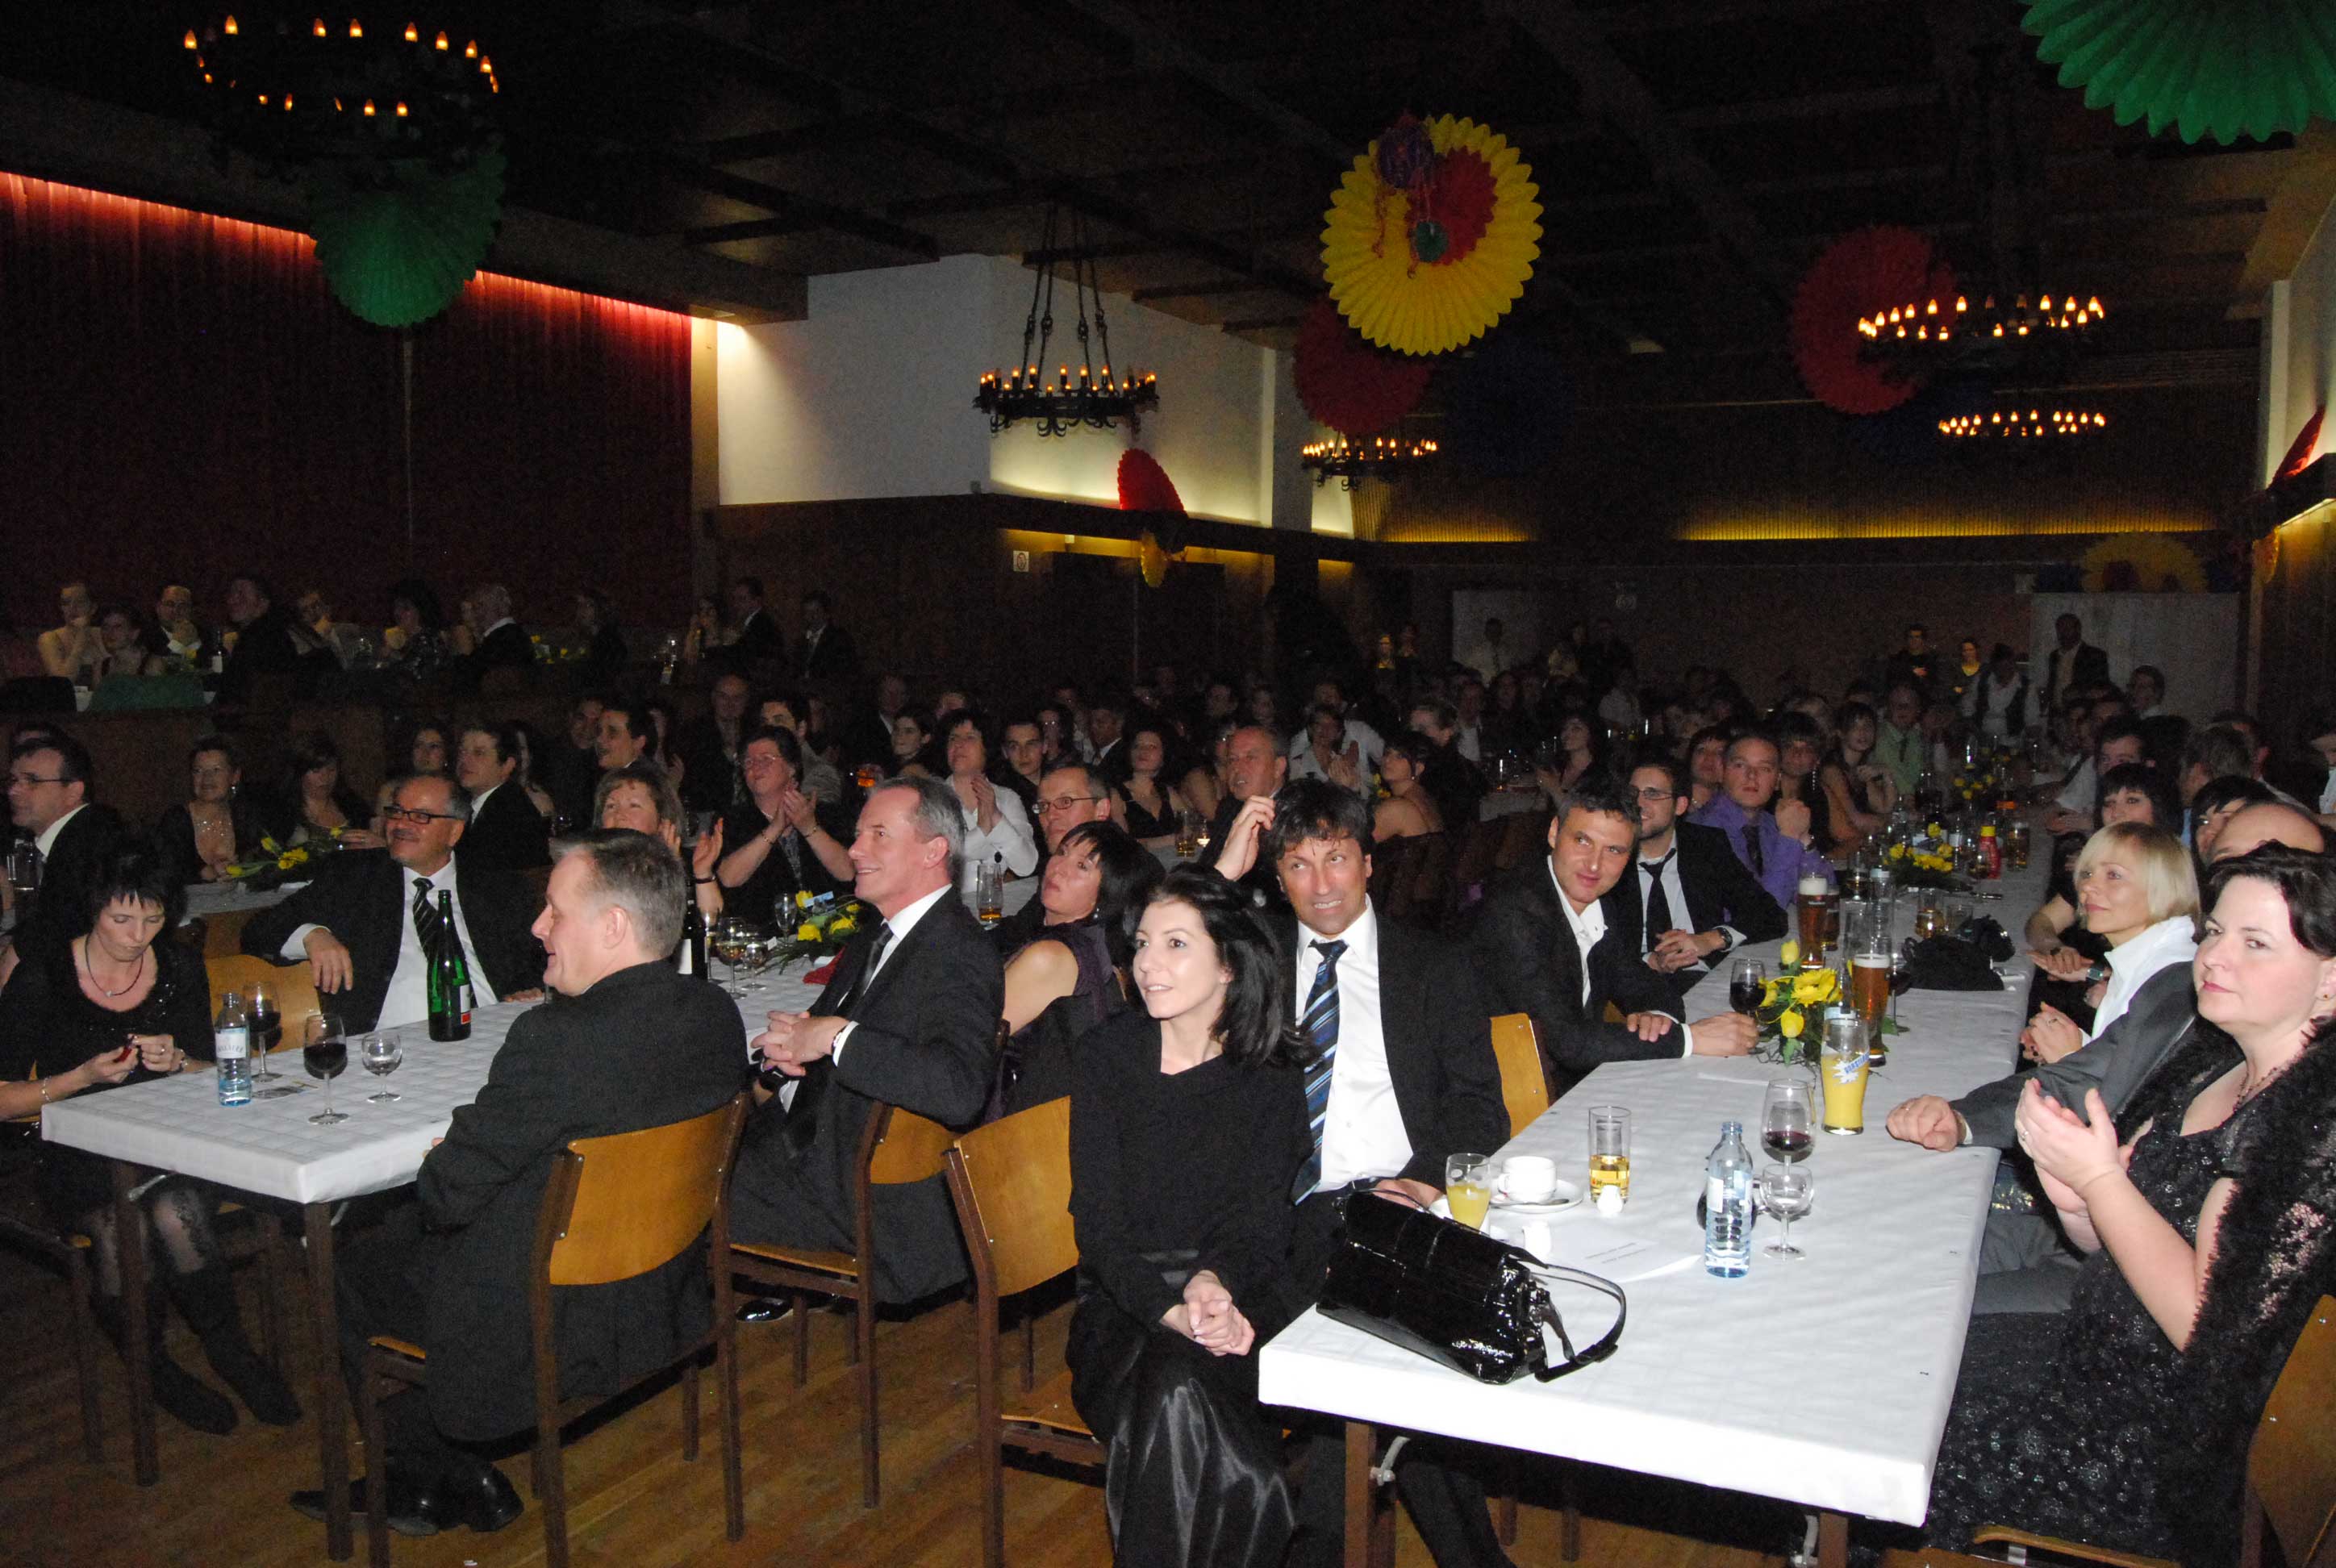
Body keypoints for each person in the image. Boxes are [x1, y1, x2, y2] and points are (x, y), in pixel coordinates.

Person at [290, 830, 746, 1537]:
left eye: (555, 911)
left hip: (545, 1312)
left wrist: (450, 1155)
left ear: (613, 926)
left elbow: (446, 1194)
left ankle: (417, 1477)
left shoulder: (555, 1039)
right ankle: (451, 1471)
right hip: (662, 1287)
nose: (538, 927)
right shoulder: (714, 1012)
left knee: (350, 1259)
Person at [1917, 848, 2336, 1565]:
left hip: (2160, 1446)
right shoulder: (2217, 1058)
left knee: (1914, 1422)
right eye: (2215, 932)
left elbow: (2208, 1329)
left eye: (2256, 943)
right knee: (1912, 1356)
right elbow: (2122, 1251)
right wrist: (2077, 1198)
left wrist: (2103, 1181)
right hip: (2093, 1354)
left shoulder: (2313, 1125)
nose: (2215, 957)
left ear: (2330, 979)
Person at [1211, 782, 1513, 1568]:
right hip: (1280, 1219)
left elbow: (1479, 1107)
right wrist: (1221, 871)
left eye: (1337, 859)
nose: (1321, 885)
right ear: (1276, 877)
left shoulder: (1432, 965)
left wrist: (1421, 1183)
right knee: (1390, 1364)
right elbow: (1152, 947)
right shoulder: (1250, 962)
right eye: (1298, 865)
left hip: (1392, 1203)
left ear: (1369, 863)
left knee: (1379, 1357)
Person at [0, 845, 298, 1433]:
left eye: (153, 920)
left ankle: (229, 1348)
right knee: (123, 1223)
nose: (138, 937)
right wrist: (78, 1078)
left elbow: (216, 1071)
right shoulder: (44, 977)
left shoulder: (178, 968)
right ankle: (150, 1362)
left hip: (171, 1139)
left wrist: (179, 1060)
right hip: (77, 1148)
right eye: (122, 919)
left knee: (173, 1207)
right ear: (93, 910)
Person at [1066, 868, 1308, 1568]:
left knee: (1179, 1394)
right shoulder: (1106, 1058)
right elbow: (1099, 1231)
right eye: (1143, 943)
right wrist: (1169, 1309)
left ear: (1228, 964)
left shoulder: (1268, 1073)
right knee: (1192, 1408)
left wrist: (1214, 1283)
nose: (1147, 964)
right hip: (1125, 1308)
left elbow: (1261, 1223)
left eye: (1176, 944)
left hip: (1239, 1298)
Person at [733, 776, 1004, 1304]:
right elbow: (822, 1040)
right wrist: (788, 1051)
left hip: (869, 1208)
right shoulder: (880, 935)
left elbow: (959, 1088)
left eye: (879, 835)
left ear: (933, 852)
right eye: (859, 834)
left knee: (671, 1192)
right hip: (820, 1162)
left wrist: (836, 1036)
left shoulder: (958, 951)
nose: (856, 850)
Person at [1477, 778, 1756, 1093]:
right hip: (1508, 1095)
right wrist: (1690, 1038)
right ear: (1554, 832)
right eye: (1582, 841)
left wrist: (1656, 1017)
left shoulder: (1598, 903)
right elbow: (1568, 1042)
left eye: (1613, 850)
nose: (1594, 865)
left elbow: (1642, 983)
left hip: (1568, 1082)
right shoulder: (1514, 913)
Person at [240, 774, 544, 1032]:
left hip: (491, 1031)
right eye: (397, 812)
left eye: (420, 816)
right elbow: (258, 931)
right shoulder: (355, 878)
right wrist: (312, 935)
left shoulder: (498, 888)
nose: (401, 825)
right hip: (395, 1042)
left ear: (455, 831)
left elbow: (537, 961)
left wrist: (532, 990)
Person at [995, 820, 1160, 1115]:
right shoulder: (1099, 946)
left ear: (1107, 894)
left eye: (1082, 866)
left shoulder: (1052, 958)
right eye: (1062, 852)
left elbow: (968, 1043)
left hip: (1020, 1125)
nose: (1059, 868)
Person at [1600, 759, 1786, 1007]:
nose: (1639, 803)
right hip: (1633, 989)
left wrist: (1710, 940)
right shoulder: (1609, 855)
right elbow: (1596, 947)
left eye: (1653, 794)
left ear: (1680, 805)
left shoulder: (1704, 846)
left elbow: (1770, 914)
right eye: (1632, 793)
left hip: (1704, 980)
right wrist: (1652, 961)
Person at [2020, 824, 2200, 1068]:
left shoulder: (2170, 980)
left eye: (2113, 875)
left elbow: (2140, 1090)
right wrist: (2065, 1041)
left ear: (2164, 886)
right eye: (2087, 873)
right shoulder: (2140, 960)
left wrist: (2069, 1057)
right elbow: (2122, 1064)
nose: (2087, 886)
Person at [4, 731, 127, 985]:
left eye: (32, 781)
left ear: (73, 791)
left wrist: (15, 950)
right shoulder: (76, 834)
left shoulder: (91, 839)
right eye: (13, 780)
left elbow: (58, 925)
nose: (14, 790)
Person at [714, 728, 855, 928]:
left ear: (792, 767)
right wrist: (775, 828)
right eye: (748, 762)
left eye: (765, 759)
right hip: (760, 933)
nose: (755, 767)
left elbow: (848, 872)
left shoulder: (824, 814)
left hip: (826, 930)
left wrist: (809, 828)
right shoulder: (732, 821)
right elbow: (728, 878)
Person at [1685, 731, 1836, 912]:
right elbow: (1761, 913)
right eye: (1740, 765)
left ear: (1778, 781)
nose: (1752, 776)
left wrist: (1804, 838)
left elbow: (1823, 896)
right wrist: (1789, 837)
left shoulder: (1771, 824)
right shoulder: (1703, 829)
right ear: (1722, 773)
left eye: (1764, 768)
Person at [594, 760, 724, 925]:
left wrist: (702, 873)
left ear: (662, 821)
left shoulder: (679, 864)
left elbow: (709, 926)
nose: (619, 815)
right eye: (611, 806)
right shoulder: (590, 869)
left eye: (633, 805)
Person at [938, 708, 1038, 893]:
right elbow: (940, 857)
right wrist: (983, 830)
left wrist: (997, 818)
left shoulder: (1006, 798)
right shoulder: (932, 799)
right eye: (953, 738)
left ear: (987, 748)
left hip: (995, 904)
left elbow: (1026, 865)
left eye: (970, 737)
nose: (959, 744)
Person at [151, 735, 268, 885]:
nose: (207, 779)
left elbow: (265, 864)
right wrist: (207, 874)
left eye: (216, 770)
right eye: (198, 771)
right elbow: (164, 873)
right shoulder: (176, 821)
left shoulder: (245, 817)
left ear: (235, 776)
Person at [453, 723, 552, 872]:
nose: (465, 760)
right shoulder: (463, 801)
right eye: (462, 751)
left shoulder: (512, 814)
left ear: (507, 765)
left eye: (479, 753)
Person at [1812, 702, 1896, 853]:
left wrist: (1887, 773)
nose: (1863, 732)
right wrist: (1891, 823)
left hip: (1855, 846)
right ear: (1841, 733)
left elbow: (1884, 806)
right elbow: (1856, 820)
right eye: (1854, 727)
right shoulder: (1831, 770)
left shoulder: (1859, 768)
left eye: (1868, 726)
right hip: (1833, 851)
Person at [278, 731, 381, 849]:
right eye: (316, 771)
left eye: (331, 769)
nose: (325, 777)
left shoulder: (353, 806)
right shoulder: (284, 813)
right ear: (299, 773)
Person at [215, 573, 306, 705]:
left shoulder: (256, 638)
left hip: (252, 713)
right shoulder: (277, 632)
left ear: (263, 603)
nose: (232, 601)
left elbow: (233, 688)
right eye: (231, 594)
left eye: (241, 595)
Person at [678, 672, 753, 815]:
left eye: (737, 698)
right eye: (723, 697)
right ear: (713, 698)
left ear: (746, 700)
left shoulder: (754, 733)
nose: (730, 704)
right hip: (707, 811)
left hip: (749, 812)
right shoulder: (693, 734)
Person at [1406, 698, 1486, 829]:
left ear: (1446, 733)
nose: (1414, 736)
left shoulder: (1449, 771)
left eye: (1422, 730)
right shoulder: (1415, 763)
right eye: (1411, 729)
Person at [1112, 724, 1192, 846]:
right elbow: (1123, 843)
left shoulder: (1167, 792)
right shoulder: (1117, 794)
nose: (1143, 751)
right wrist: (1165, 841)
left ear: (1164, 756)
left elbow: (1190, 827)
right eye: (1137, 746)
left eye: (1152, 747)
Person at [452, 583, 531, 690]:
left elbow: (469, 679)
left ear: (500, 608)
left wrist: (462, 651)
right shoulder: (510, 634)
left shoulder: (502, 638)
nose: (476, 612)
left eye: (480, 605)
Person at [382, 578, 452, 688]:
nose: (397, 613)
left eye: (405, 608)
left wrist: (391, 656)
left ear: (421, 611)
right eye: (396, 607)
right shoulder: (410, 640)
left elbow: (413, 677)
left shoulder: (429, 640)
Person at [1372, 735, 1443, 843]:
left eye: (1400, 756)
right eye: (1387, 753)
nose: (1388, 760)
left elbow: (1355, 846)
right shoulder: (1424, 798)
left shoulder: (1397, 807)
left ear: (1418, 769)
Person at [2041, 611, 2112, 716]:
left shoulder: (2094, 655)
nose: (2063, 632)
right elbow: (2052, 683)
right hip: (2057, 713)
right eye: (2060, 629)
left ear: (2078, 629)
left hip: (2082, 714)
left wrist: (2079, 693)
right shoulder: (2054, 656)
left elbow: (2102, 686)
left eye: (2067, 628)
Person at [37, 582, 105, 686]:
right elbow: (61, 683)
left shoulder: (103, 634)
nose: (72, 608)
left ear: (93, 608)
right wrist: (81, 639)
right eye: (66, 603)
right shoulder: (49, 638)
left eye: (80, 602)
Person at [1962, 643, 2030, 740]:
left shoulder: (2026, 686)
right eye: (2000, 668)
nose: (2004, 671)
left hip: (2012, 741)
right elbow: (1967, 709)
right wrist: (1978, 734)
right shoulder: (1980, 681)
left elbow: (2032, 720)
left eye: (2007, 667)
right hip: (1980, 739)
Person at [1873, 682, 1927, 799]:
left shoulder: (1914, 736)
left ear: (1918, 710)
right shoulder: (1880, 736)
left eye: (1907, 705)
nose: (1901, 709)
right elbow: (1898, 780)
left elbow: (1919, 775)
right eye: (1895, 704)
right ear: (1888, 709)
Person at [795, 590, 858, 684]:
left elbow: (844, 673)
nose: (812, 616)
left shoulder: (839, 639)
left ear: (826, 613)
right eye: (807, 612)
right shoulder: (801, 641)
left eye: (816, 611)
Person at [571, 588, 627, 689]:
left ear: (601, 608)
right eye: (580, 605)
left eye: (589, 605)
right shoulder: (583, 639)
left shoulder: (609, 641)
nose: (582, 610)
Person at [724, 576, 782, 672]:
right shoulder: (751, 622)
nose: (735, 605)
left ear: (757, 601)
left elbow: (745, 657)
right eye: (734, 599)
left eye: (742, 599)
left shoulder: (762, 626)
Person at [152, 582, 210, 671]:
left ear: (190, 610)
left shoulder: (204, 634)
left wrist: (195, 644)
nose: (176, 610)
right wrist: (177, 644)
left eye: (183, 605)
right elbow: (158, 669)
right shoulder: (146, 635)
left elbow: (210, 666)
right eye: (170, 604)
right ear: (158, 608)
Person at [594, 701, 656, 777]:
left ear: (638, 742)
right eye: (599, 731)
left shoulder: (641, 781)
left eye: (612, 732)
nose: (599, 739)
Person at [1883, 623, 1935, 696]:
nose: (1914, 640)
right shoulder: (1897, 659)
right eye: (1910, 637)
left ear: (1923, 640)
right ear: (1906, 640)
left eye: (1917, 637)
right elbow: (1891, 679)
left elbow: (1931, 683)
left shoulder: (1930, 660)